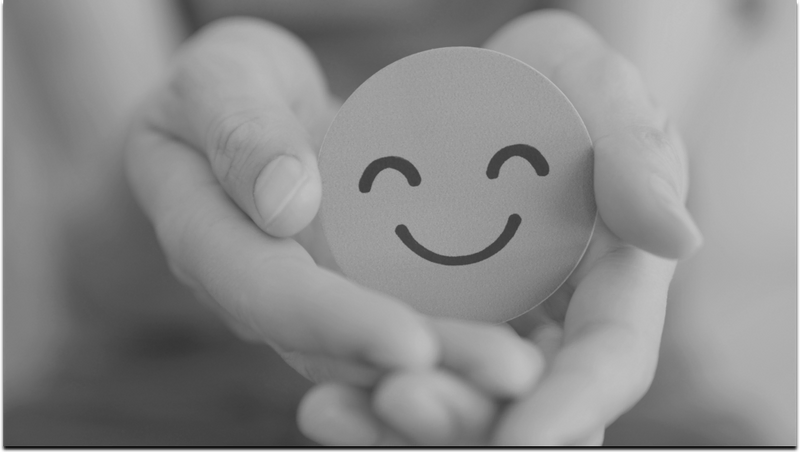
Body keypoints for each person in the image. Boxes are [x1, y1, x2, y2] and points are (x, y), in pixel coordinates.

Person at [123, 7, 702, 445]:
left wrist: (615, 121)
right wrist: (180, 139)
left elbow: (629, 91)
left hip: (577, 333)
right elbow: (107, 141)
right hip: (156, 367)